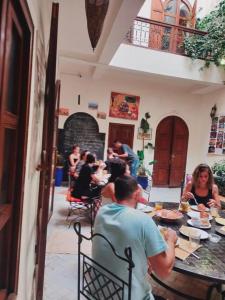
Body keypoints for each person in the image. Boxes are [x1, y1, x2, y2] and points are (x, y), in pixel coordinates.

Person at [93, 175, 177, 300]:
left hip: (100, 292)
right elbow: (164, 271)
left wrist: (144, 259)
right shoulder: (143, 221)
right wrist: (170, 240)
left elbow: (120, 243)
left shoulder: (101, 212)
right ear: (137, 193)